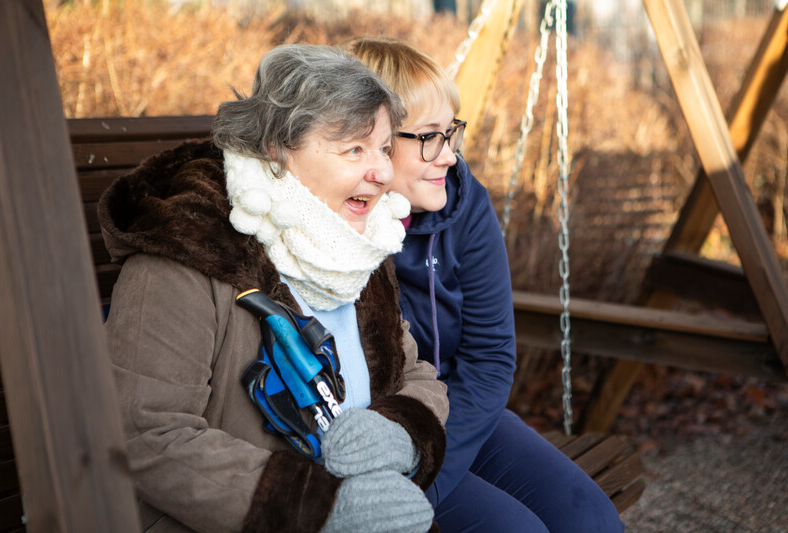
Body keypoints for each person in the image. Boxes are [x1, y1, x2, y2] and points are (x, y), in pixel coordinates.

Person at [98, 43, 448, 533]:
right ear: (278, 149)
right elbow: (143, 433)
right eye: (354, 149)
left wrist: (399, 429)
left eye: (386, 148)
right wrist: (320, 507)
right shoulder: (184, 255)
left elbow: (416, 374)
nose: (384, 172)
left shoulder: (353, 246)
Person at [346, 36, 625, 532]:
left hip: (463, 415)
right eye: (430, 136)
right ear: (372, 139)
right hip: (378, 440)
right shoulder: (337, 232)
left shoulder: (464, 206)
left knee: (593, 520)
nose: (450, 155)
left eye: (451, 132)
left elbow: (491, 355)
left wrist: (434, 471)